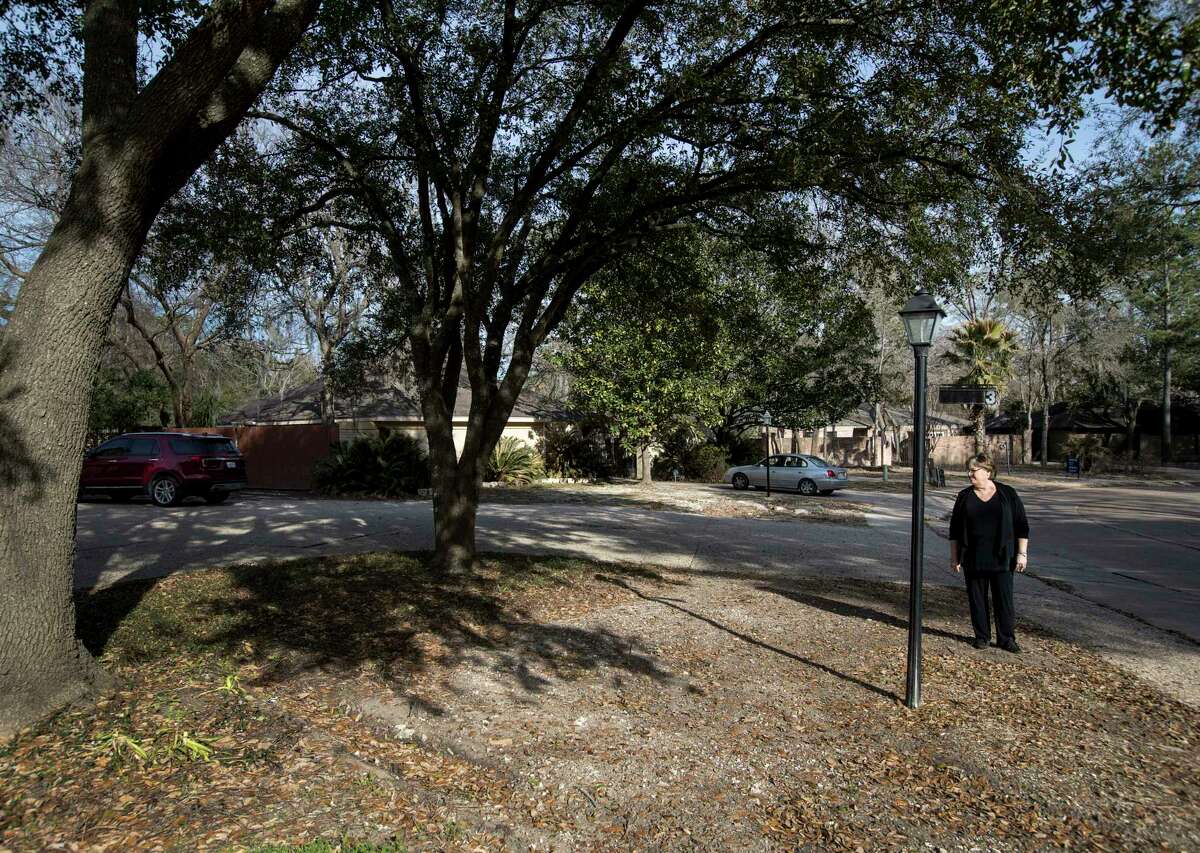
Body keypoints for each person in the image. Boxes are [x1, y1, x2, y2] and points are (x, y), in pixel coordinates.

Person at [949, 453, 1030, 652]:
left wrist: (1022, 553)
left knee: (1004, 599)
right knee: (977, 599)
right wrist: (955, 557)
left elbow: (1022, 526)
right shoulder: (964, 496)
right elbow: (955, 530)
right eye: (968, 471)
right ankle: (982, 636)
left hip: (1002, 557)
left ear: (987, 471)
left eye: (973, 470)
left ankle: (1006, 639)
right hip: (973, 557)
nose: (969, 474)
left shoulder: (1007, 493)